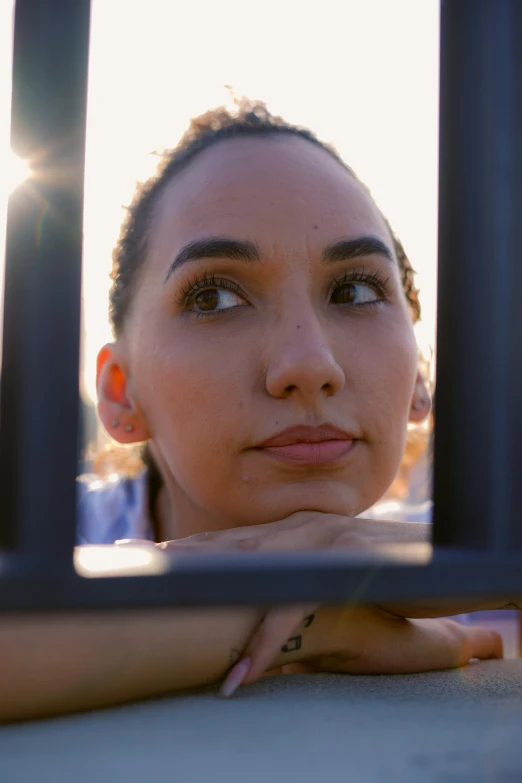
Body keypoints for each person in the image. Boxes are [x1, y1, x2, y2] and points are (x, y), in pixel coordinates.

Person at [1, 101, 513, 723]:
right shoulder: (45, 538)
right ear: (119, 390)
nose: (308, 363)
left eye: (356, 290)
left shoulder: (470, 564)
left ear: (419, 377)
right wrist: (319, 615)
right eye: (214, 297)